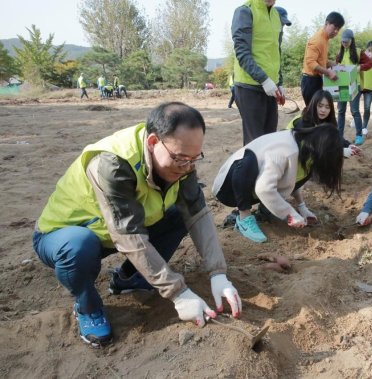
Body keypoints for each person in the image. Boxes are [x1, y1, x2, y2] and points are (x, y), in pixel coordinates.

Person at [33, 102, 242, 348]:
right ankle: (87, 306)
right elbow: (127, 233)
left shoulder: (182, 159)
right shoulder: (111, 162)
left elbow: (197, 213)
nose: (186, 167)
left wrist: (218, 273)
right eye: (180, 159)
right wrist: (178, 292)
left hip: (120, 231)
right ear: (153, 142)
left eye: (194, 159)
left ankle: (130, 279)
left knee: (177, 214)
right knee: (79, 247)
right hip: (66, 236)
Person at [212, 124, 344, 243]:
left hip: (253, 184)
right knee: (248, 162)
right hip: (228, 188)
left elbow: (294, 178)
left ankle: (264, 212)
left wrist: (302, 207)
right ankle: (244, 218)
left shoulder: (306, 148)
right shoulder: (287, 150)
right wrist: (290, 213)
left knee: (306, 172)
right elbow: (263, 189)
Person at [231, 0, 284, 145]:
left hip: (271, 88)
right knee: (254, 142)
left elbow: (276, 52)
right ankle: (251, 168)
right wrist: (264, 79)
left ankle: (265, 168)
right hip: (249, 86)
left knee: (269, 138)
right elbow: (242, 53)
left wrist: (279, 82)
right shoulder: (245, 11)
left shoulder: (276, 15)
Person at [287, 89, 362, 159]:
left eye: (327, 107)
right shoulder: (303, 121)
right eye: (320, 106)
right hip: (291, 156)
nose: (323, 110)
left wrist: (348, 145)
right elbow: (311, 148)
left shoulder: (326, 121)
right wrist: (340, 152)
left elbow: (334, 137)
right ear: (314, 104)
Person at [335, 29, 372, 146]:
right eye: (343, 42)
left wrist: (360, 67)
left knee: (355, 111)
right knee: (341, 111)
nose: (344, 44)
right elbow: (336, 67)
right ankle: (339, 136)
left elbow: (370, 63)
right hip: (342, 86)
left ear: (352, 40)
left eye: (346, 41)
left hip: (353, 86)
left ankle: (359, 135)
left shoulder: (358, 52)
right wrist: (338, 66)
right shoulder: (339, 53)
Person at [301, 11, 345, 106]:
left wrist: (334, 64)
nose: (336, 31)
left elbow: (321, 61)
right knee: (313, 113)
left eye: (338, 29)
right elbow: (310, 62)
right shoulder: (317, 40)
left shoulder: (325, 39)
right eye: (334, 27)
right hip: (310, 81)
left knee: (318, 112)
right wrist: (328, 72)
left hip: (317, 80)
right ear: (326, 23)